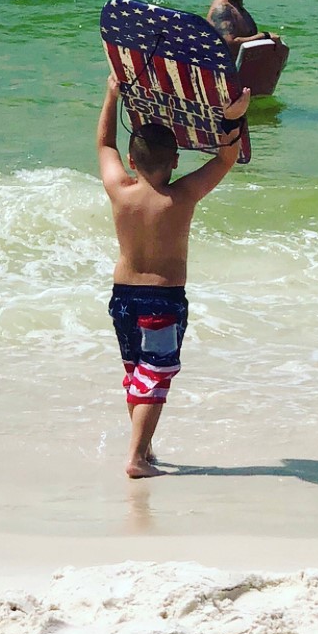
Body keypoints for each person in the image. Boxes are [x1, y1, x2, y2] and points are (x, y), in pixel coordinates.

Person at [97, 74, 250, 478]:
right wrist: (233, 120)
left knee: (136, 374)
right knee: (155, 377)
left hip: (123, 297)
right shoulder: (181, 196)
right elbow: (224, 159)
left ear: (132, 161)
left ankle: (143, 450)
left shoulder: (120, 190)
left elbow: (105, 144)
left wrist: (111, 94)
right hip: (162, 300)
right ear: (176, 161)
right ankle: (134, 458)